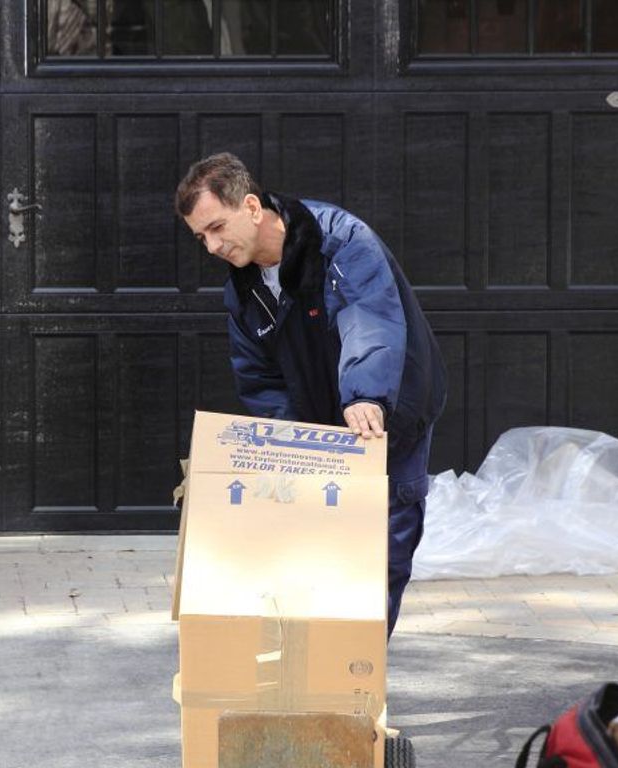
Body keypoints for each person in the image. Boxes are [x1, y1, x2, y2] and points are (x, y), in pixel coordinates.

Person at [175, 152, 447, 637]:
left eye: (217, 227)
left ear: (252, 207)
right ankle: (326, 677)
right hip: (325, 426)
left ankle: (358, 682)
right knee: (326, 553)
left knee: (384, 549)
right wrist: (293, 443)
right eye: (201, 237)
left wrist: (366, 394)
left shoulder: (338, 241)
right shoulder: (243, 291)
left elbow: (370, 319)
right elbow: (259, 378)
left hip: (390, 409)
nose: (212, 246)